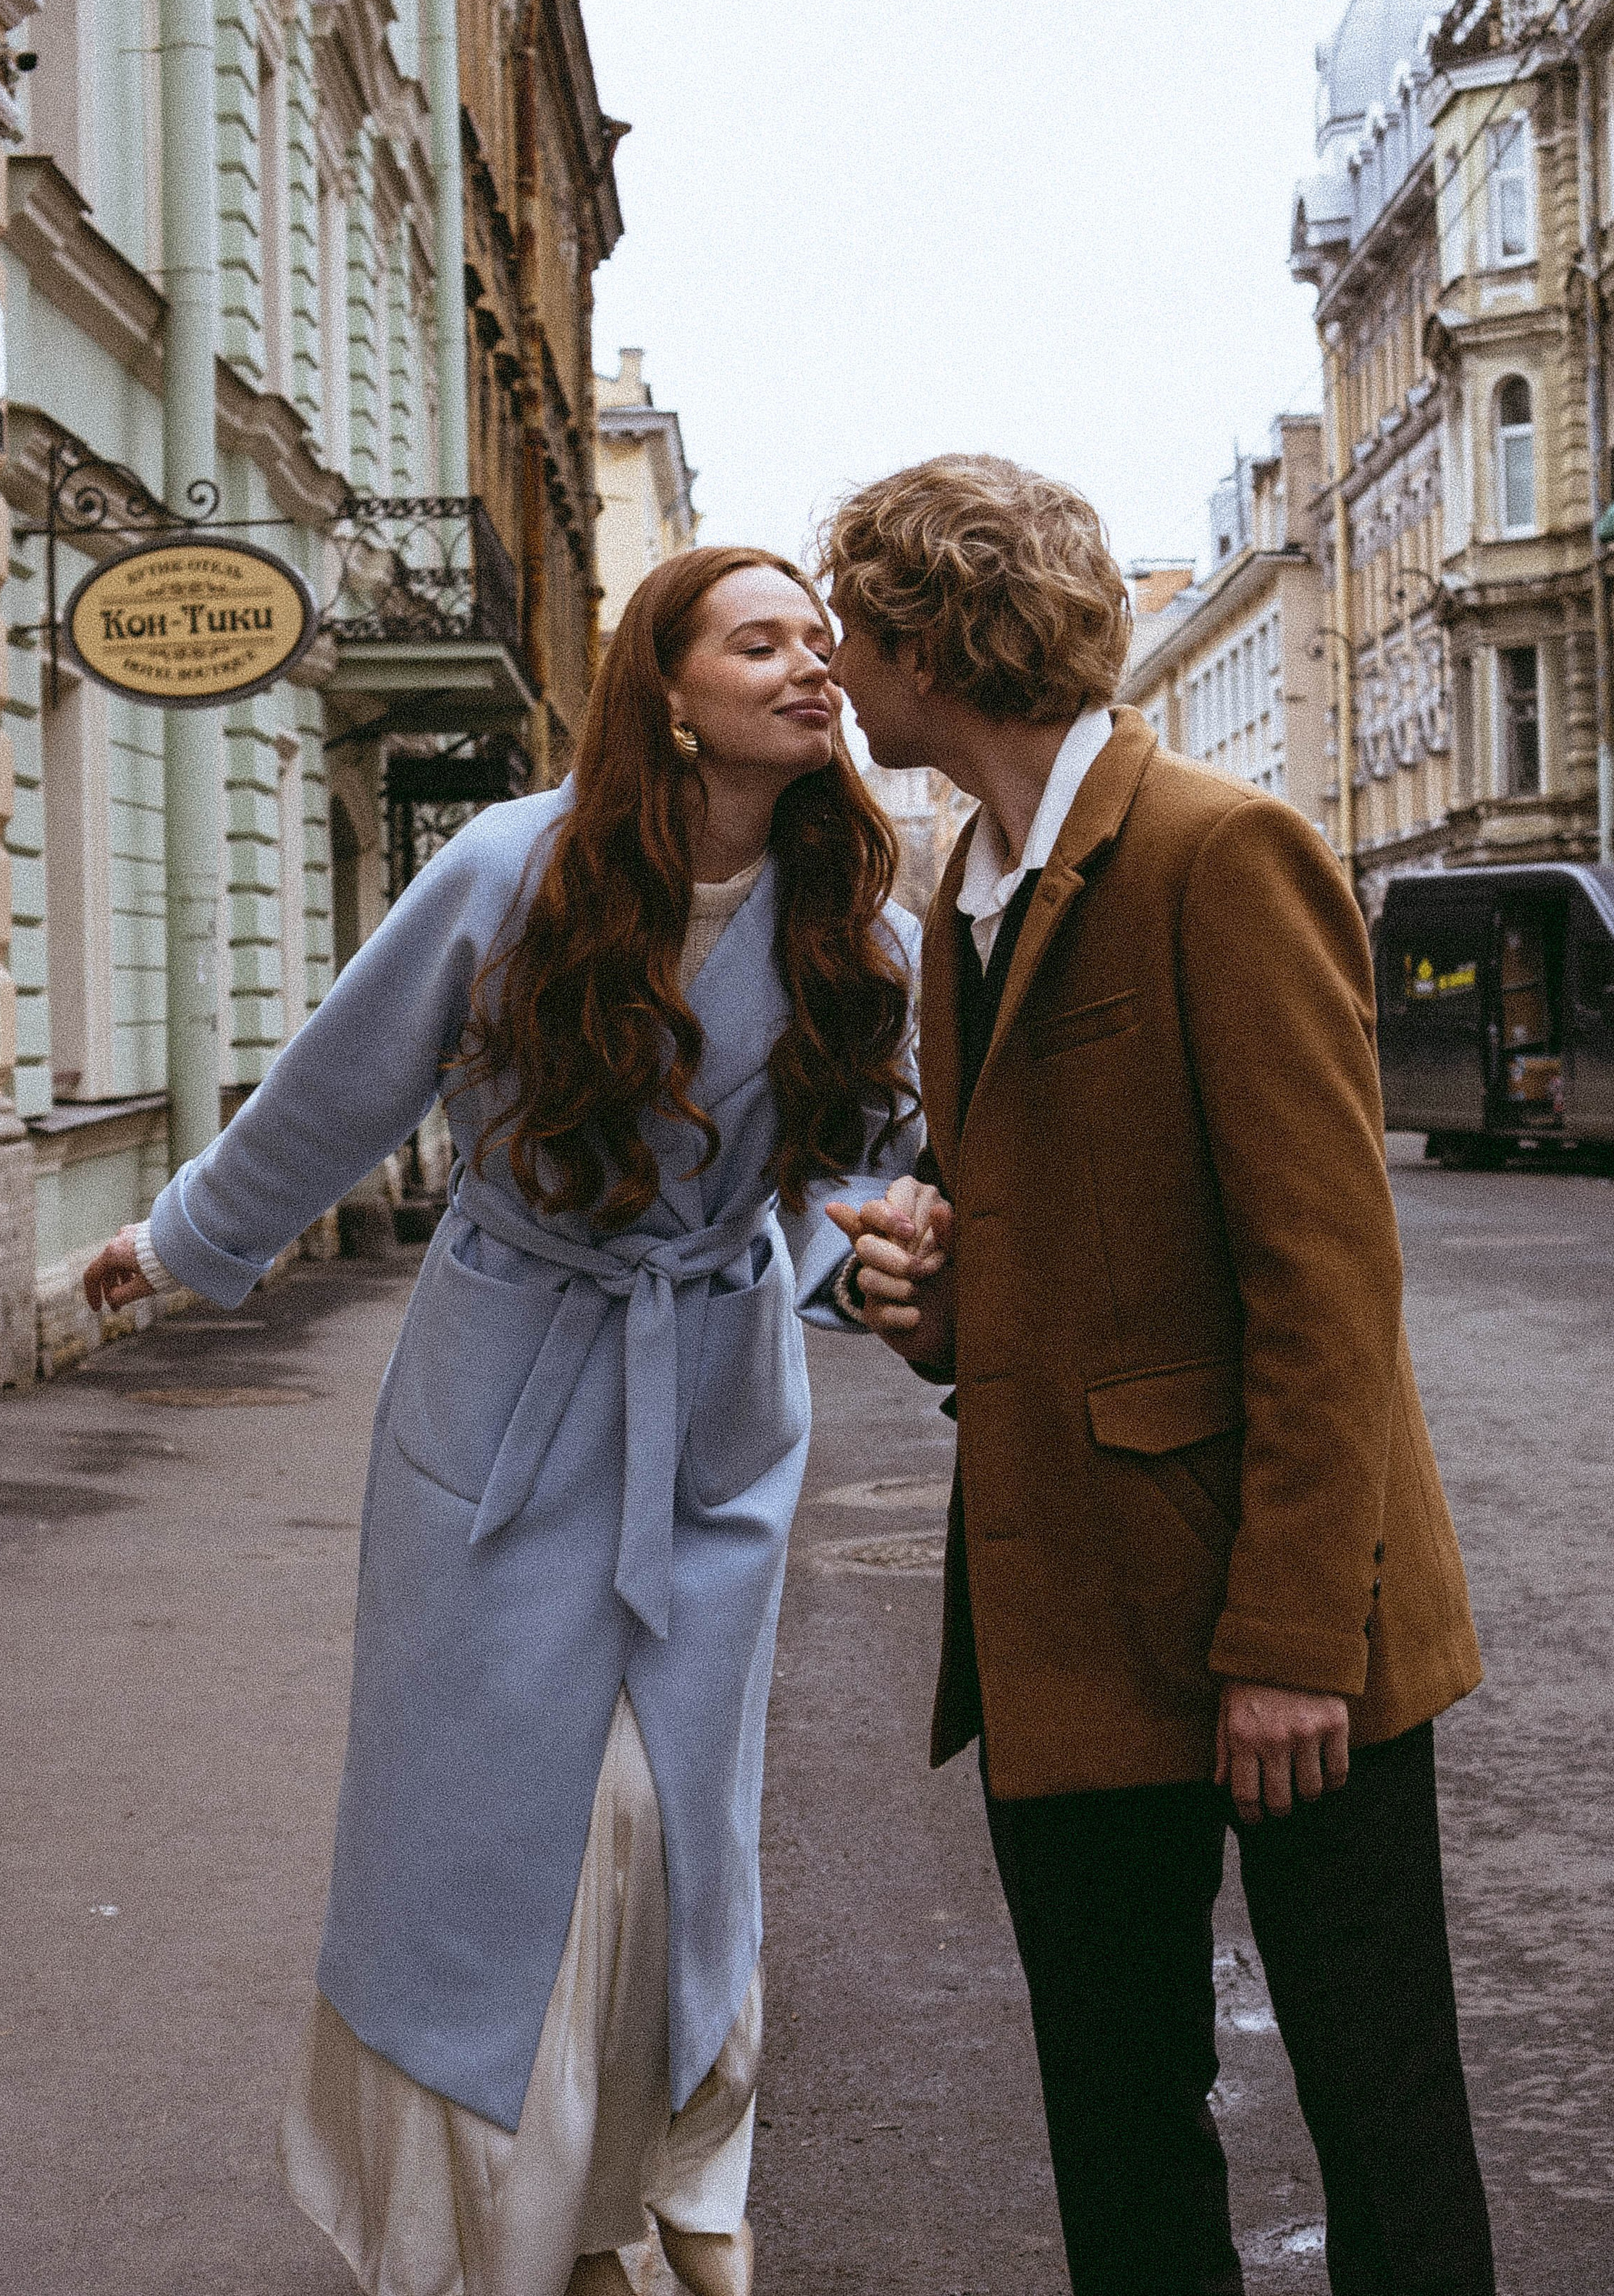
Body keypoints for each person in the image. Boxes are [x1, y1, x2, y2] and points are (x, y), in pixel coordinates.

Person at [85, 549, 920, 2296]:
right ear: (666, 692)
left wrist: (868, 1262)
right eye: (758, 640)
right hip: (502, 1388)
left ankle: (660, 2176)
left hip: (710, 1404)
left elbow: (850, 1167)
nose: (809, 666)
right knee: (497, 1831)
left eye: (817, 642)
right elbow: (341, 1078)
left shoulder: (857, 907)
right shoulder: (509, 867)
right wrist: (179, 1244)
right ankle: (509, 2228)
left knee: (667, 1821)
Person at [820, 455, 1495, 2296]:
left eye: (846, 627)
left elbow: (1327, 1284)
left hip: (1282, 1607)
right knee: (1117, 2110)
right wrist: (936, 1308)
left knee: (1378, 2108)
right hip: (1070, 1616)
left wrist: (1291, 1646)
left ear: (923, 637)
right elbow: (1044, 1263)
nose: (832, 665)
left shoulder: (1216, 849)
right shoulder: (962, 891)